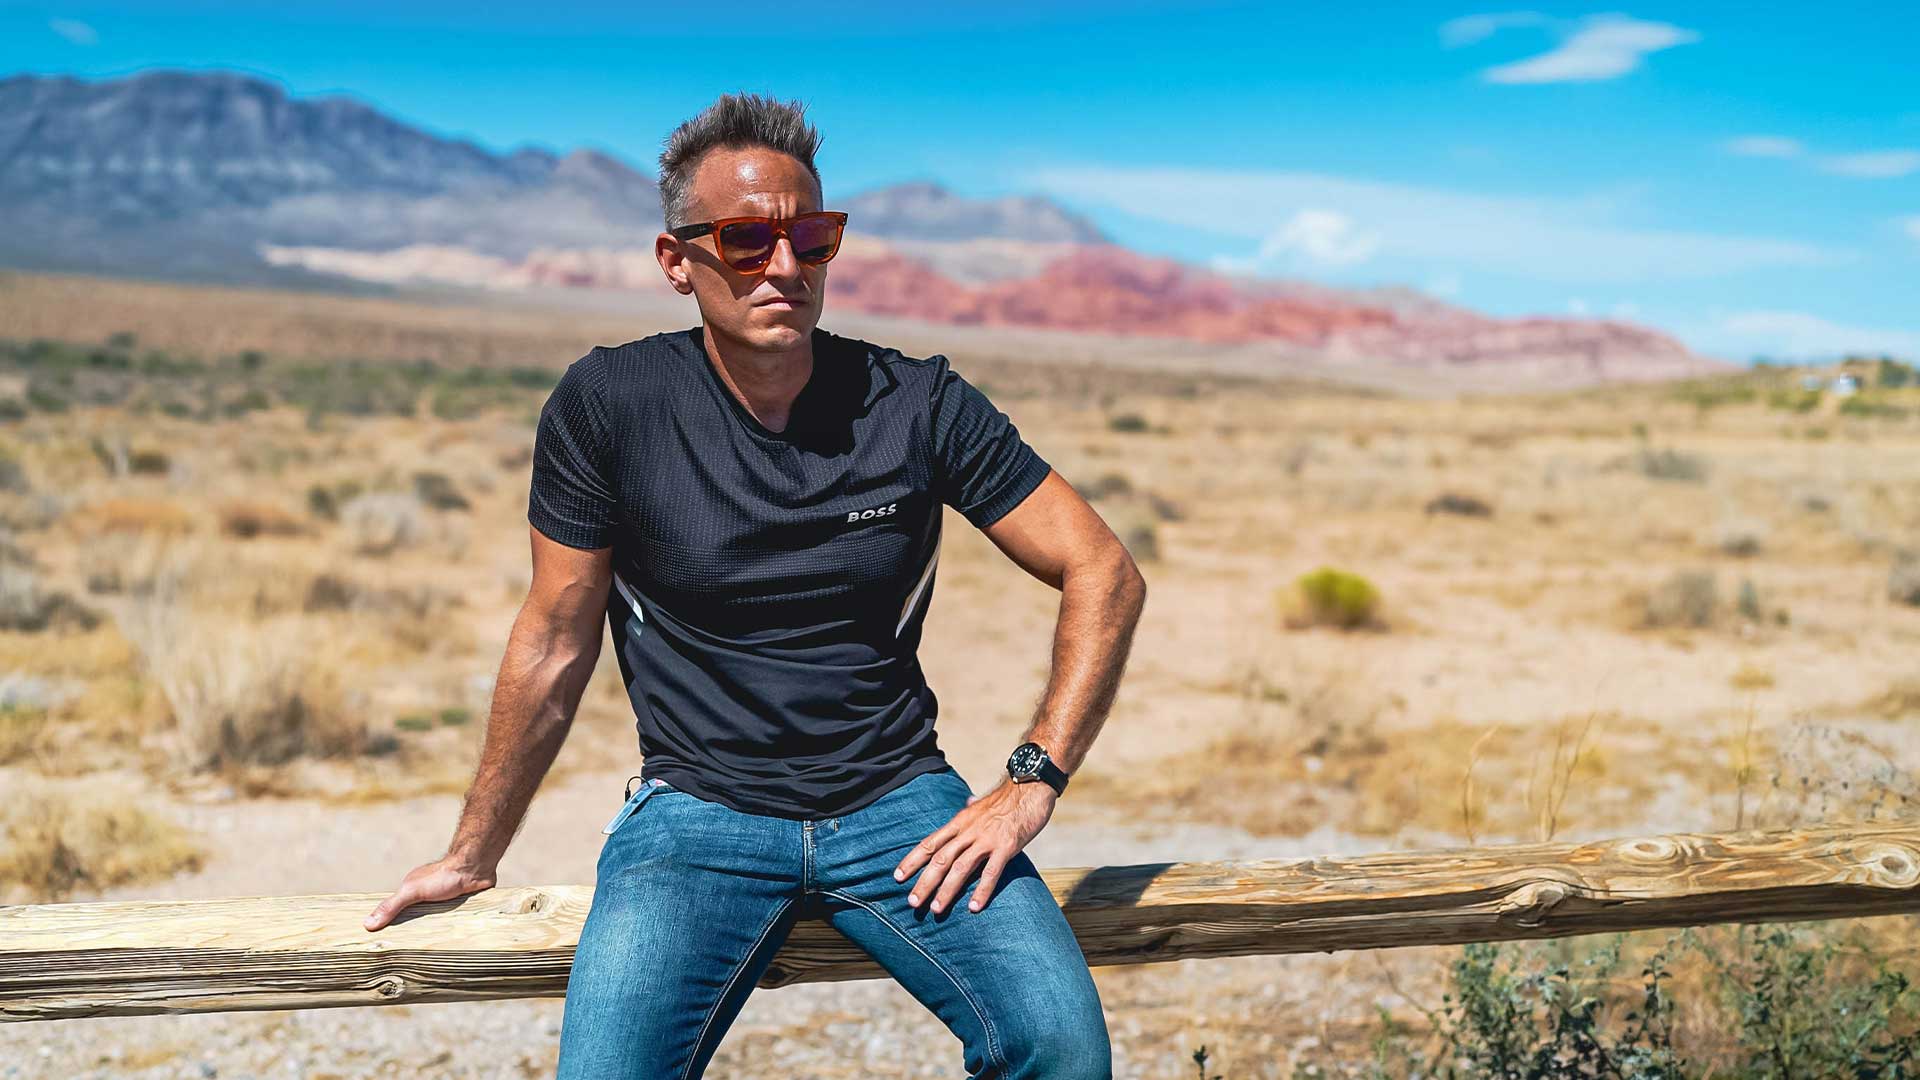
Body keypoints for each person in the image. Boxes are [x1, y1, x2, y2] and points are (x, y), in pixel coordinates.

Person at [363, 91, 1147, 1079]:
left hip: (900, 807)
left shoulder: (919, 404)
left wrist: (1032, 781)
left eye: (811, 238)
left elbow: (1103, 568)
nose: (785, 268)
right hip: (695, 816)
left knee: (1061, 1047)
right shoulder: (611, 407)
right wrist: (475, 849)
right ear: (674, 262)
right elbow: (557, 638)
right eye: (745, 241)